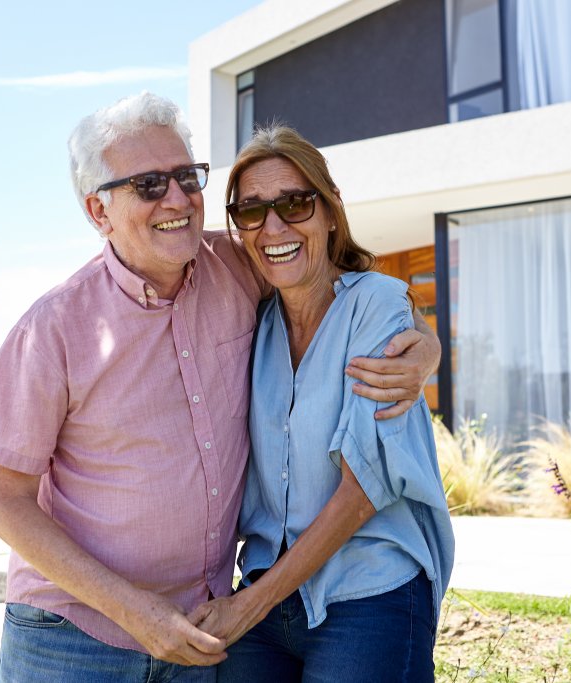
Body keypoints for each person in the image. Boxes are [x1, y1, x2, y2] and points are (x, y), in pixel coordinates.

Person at [0, 93, 440, 682]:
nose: (179, 199)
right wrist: (136, 613)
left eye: (187, 177)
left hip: (200, 632)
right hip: (73, 639)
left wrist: (422, 341)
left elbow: (338, 284)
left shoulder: (237, 268)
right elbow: (3, 502)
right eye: (148, 185)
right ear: (98, 210)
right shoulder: (51, 329)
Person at [188, 125, 455, 682]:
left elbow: (361, 492)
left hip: (367, 591)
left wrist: (245, 606)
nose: (274, 226)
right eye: (252, 211)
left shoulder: (377, 303)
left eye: (294, 202)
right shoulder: (253, 319)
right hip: (266, 592)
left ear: (330, 210)